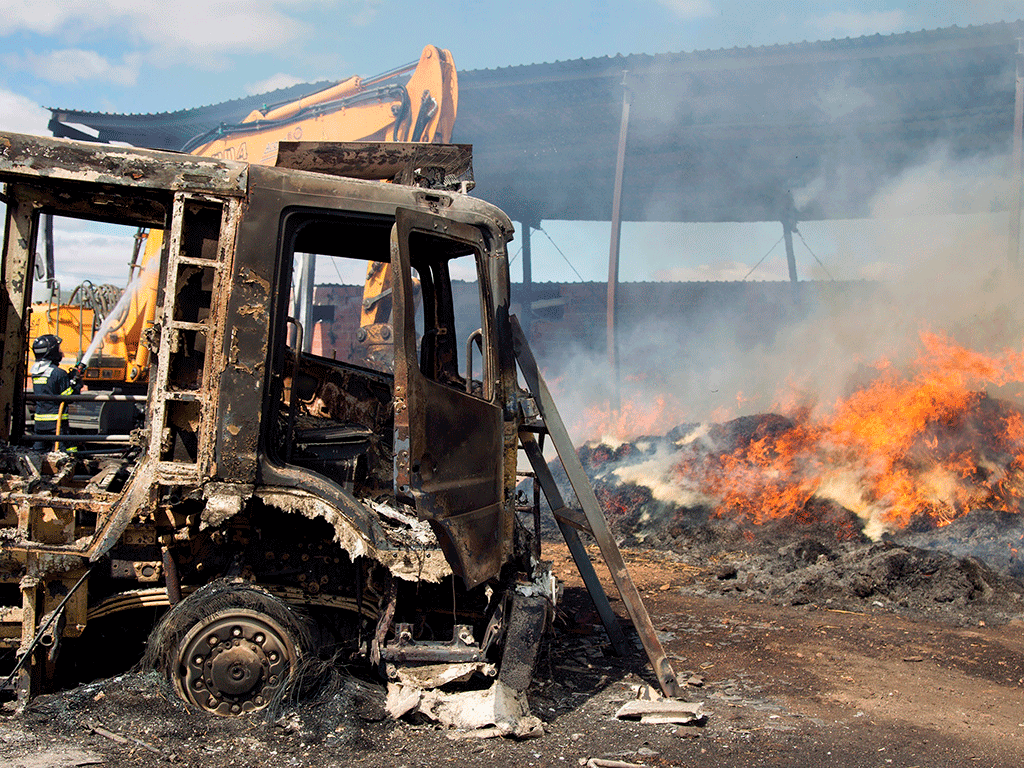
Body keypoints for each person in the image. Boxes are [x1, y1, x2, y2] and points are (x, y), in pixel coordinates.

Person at [30, 334, 85, 451]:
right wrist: (78, 383)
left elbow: (50, 387)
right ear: (52, 351)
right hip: (57, 423)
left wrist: (69, 378)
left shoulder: (36, 372)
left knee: (39, 452)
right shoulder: (59, 373)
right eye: (58, 349)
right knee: (67, 451)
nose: (60, 352)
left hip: (40, 422)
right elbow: (70, 397)